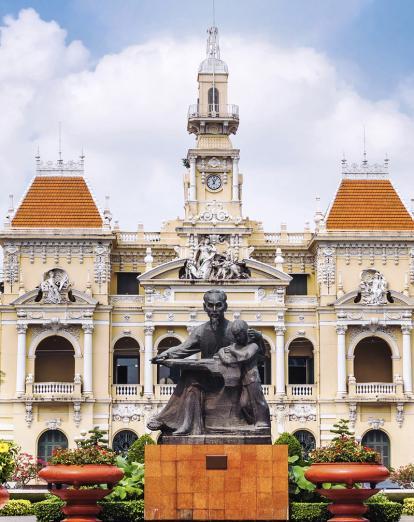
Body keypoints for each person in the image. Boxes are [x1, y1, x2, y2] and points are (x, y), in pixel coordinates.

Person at [148, 289, 264, 436]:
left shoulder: (233, 330)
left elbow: (257, 356)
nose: (214, 310)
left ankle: (167, 419)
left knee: (190, 377)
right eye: (210, 306)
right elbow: (183, 349)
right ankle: (186, 425)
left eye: (218, 305)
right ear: (205, 308)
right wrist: (164, 355)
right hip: (209, 377)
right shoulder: (201, 331)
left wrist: (258, 339)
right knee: (190, 378)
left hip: (232, 380)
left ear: (225, 307)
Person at [217, 320, 270, 428]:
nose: (237, 338)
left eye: (239, 335)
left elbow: (244, 356)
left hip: (252, 378)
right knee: (244, 404)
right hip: (242, 379)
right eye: (235, 336)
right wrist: (222, 353)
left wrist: (233, 350)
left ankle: (263, 422)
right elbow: (222, 350)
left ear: (245, 333)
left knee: (259, 401)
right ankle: (252, 421)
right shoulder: (236, 346)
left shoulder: (253, 345)